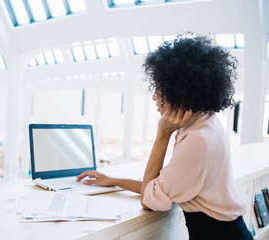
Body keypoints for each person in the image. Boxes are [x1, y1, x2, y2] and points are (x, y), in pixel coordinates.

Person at [77, 33, 253, 239]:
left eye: (159, 89)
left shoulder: (197, 140)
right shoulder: (206, 121)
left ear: (180, 92)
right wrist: (113, 180)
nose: (154, 96)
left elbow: (149, 199)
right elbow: (162, 185)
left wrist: (162, 134)